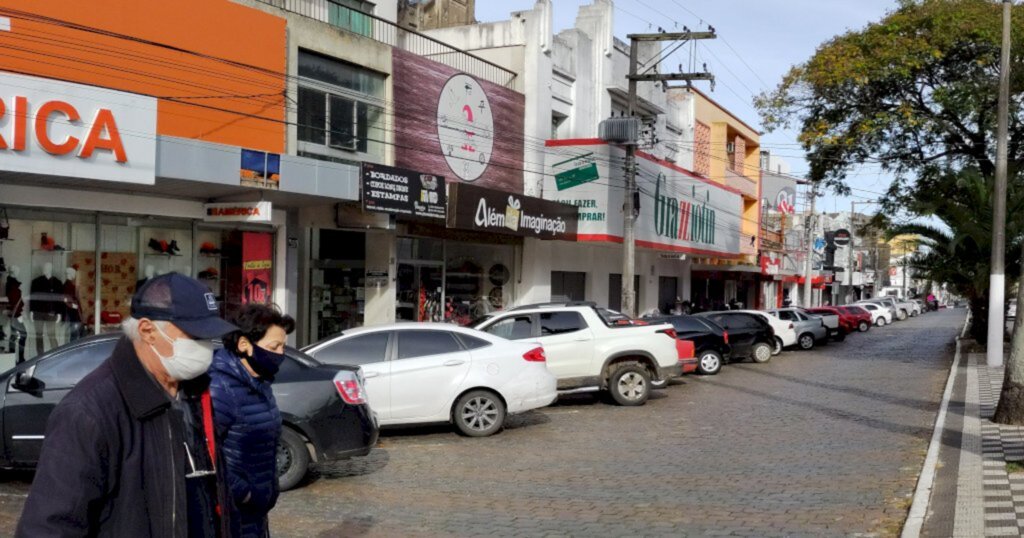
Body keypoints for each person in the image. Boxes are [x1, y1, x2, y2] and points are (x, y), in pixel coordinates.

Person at [17, 273, 238, 537]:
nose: (206, 347)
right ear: (147, 331)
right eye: (195, 336)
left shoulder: (195, 393)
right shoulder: (89, 412)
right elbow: (49, 527)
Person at [210, 304, 295, 538]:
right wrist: (244, 493)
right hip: (232, 514)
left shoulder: (260, 382)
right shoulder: (220, 388)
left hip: (257, 513)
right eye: (273, 346)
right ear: (244, 345)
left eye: (283, 346)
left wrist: (268, 487)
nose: (280, 353)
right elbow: (205, 456)